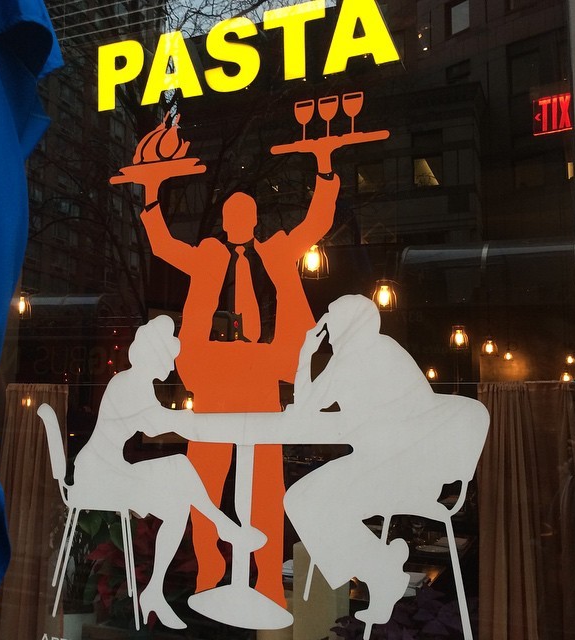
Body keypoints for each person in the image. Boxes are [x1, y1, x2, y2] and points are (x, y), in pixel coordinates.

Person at [178, 295, 490, 636]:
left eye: (331, 317)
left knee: (306, 502)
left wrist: (307, 356)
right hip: (389, 464)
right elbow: (308, 408)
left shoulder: (364, 354)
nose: (326, 325)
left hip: (399, 470)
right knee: (304, 501)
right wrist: (307, 357)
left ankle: (380, 570)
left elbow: (305, 409)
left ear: (348, 322)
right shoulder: (367, 350)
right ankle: (381, 569)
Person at [135, 120, 340, 607]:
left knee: (265, 488)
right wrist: (151, 195)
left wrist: (325, 166)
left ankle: (266, 578)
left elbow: (316, 223)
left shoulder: (276, 252)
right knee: (205, 483)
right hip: (213, 377)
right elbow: (162, 245)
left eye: (245, 214)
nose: (238, 221)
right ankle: (210, 571)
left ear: (254, 220)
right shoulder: (208, 256)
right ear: (225, 222)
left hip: (261, 374)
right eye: (231, 214)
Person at [63, 316, 265, 629]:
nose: (171, 366)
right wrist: (199, 419)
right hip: (99, 473)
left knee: (177, 502)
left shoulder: (137, 384)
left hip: (113, 469)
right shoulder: (127, 384)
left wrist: (195, 420)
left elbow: (159, 420)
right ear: (153, 355)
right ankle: (223, 526)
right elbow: (156, 424)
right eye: (168, 358)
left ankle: (155, 590)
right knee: (179, 468)